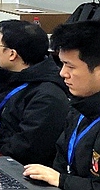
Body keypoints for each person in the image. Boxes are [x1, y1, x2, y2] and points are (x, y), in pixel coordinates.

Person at [0, 20, 70, 165]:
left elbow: (24, 150)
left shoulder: (47, 97)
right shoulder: (14, 79)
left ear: (12, 54)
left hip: (20, 169)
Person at [23, 21, 100, 188]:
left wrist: (61, 180)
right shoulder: (80, 106)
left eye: (70, 66)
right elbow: (61, 158)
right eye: (62, 64)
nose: (63, 73)